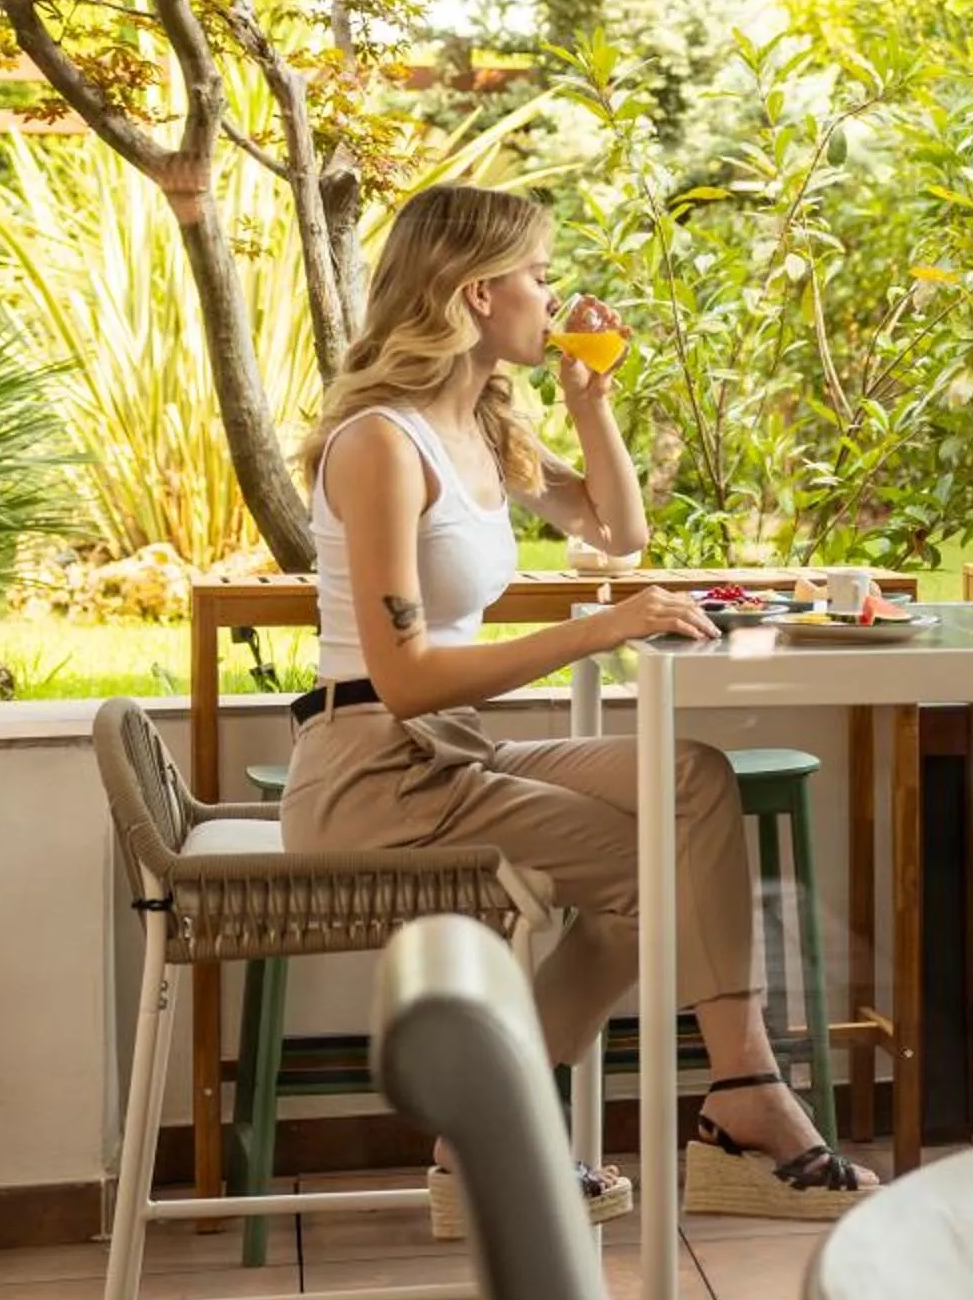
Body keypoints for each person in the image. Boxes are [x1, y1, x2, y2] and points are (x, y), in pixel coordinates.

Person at [281, 183, 874, 1225]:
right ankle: (730, 1106)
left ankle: (549, 1126)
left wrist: (591, 400)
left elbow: (616, 527)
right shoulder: (382, 441)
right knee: (664, 874)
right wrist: (600, 626)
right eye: (540, 273)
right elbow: (406, 673)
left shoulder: (479, 428)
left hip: (448, 754)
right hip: (372, 770)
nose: (555, 293)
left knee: (690, 783)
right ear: (476, 294)